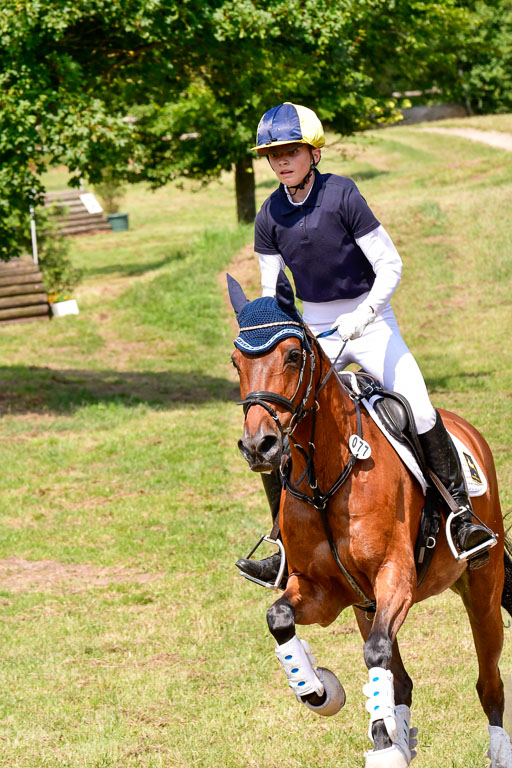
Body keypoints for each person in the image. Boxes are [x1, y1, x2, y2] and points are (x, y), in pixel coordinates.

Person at [235, 101, 494, 583]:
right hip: (315, 330)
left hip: (371, 320)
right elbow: (272, 296)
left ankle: (463, 517)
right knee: (278, 424)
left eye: (291, 151)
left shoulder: (343, 194)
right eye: (274, 155)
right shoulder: (269, 215)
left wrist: (363, 315)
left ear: (313, 152)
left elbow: (390, 266)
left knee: (417, 407)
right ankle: (281, 541)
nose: (282, 161)